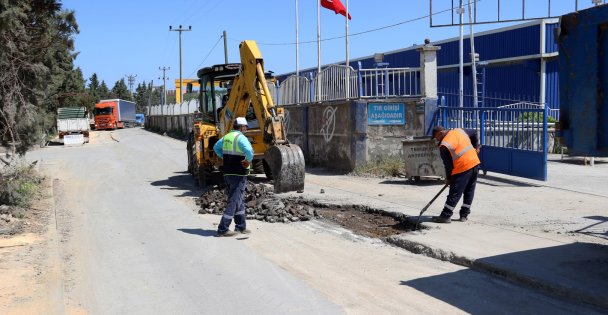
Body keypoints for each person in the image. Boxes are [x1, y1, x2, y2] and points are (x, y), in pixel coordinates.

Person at [213, 117, 254, 236]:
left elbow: (216, 147)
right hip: (238, 173)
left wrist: (225, 158)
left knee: (239, 200)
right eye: (245, 127)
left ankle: (240, 226)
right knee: (233, 200)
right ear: (241, 127)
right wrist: (248, 161)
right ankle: (223, 228)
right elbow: (249, 151)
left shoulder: (226, 137)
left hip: (228, 173)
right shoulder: (241, 138)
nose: (246, 129)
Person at [431, 125, 481, 223]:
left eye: (436, 137)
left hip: (463, 167)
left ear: (441, 133)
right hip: (475, 162)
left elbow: (448, 166)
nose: (436, 139)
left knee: (455, 192)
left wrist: (449, 179)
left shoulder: (444, 146)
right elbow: (474, 132)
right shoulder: (459, 131)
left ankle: (445, 215)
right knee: (469, 190)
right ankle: (464, 215)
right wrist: (476, 147)